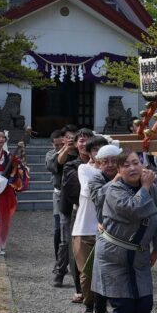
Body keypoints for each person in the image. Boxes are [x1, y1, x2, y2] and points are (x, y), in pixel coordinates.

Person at [93, 149, 157, 313]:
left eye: (136, 163)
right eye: (126, 165)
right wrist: (145, 187)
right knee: (123, 305)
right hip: (114, 255)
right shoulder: (114, 189)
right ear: (119, 170)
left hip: (140, 255)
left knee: (144, 304)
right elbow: (133, 209)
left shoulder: (155, 189)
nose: (132, 168)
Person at [85, 144, 122, 313]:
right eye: (105, 161)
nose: (109, 165)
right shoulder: (95, 179)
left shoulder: (129, 177)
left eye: (114, 161)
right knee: (101, 276)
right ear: (98, 163)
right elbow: (98, 198)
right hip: (106, 233)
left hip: (126, 234)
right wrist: (116, 180)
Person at [71, 136, 110, 313]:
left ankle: (100, 307)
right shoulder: (84, 168)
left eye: (103, 150)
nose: (99, 154)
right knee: (86, 271)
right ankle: (89, 304)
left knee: (104, 271)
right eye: (95, 151)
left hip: (106, 230)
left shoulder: (114, 172)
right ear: (90, 153)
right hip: (84, 228)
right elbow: (88, 190)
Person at [59, 128, 94, 298]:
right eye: (81, 140)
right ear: (76, 144)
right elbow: (73, 191)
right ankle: (80, 290)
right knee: (77, 252)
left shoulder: (103, 165)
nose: (84, 143)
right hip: (79, 210)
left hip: (99, 212)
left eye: (88, 140)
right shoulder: (71, 165)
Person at [45, 127, 73, 287]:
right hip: (59, 195)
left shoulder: (75, 153)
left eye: (61, 143)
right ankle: (59, 262)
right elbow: (53, 166)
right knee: (59, 230)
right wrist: (62, 150)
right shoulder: (52, 154)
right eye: (56, 145)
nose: (58, 146)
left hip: (74, 195)